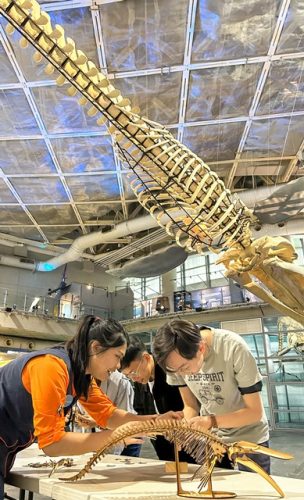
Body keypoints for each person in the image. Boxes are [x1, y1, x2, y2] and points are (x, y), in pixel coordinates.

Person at [0, 315, 181, 499]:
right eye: (117, 356)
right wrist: (117, 436)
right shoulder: (51, 366)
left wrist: (154, 421)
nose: (118, 366)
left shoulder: (82, 377)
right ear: (95, 347)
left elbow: (108, 415)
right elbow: (52, 444)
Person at [153, 319, 270, 473]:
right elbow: (190, 406)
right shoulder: (174, 362)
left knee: (254, 492)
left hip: (249, 437)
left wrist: (210, 421)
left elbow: (254, 412)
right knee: (216, 490)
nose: (182, 374)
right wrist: (186, 431)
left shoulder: (232, 347)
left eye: (185, 368)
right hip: (213, 439)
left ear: (201, 347)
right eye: (176, 371)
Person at [121, 336, 194, 463]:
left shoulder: (171, 372)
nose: (134, 378)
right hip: (164, 452)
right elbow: (140, 411)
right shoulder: (140, 382)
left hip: (188, 445)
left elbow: (190, 407)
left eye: (133, 372)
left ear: (146, 358)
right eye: (128, 376)